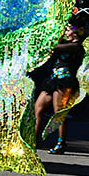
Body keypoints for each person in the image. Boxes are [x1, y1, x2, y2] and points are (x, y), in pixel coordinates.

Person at [33, 21, 84, 154]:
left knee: (59, 113)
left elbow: (55, 47)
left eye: (68, 30)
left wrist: (50, 40)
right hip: (52, 80)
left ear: (76, 31)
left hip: (65, 81)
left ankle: (61, 143)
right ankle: (33, 140)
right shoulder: (63, 42)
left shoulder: (77, 46)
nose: (66, 32)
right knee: (37, 108)